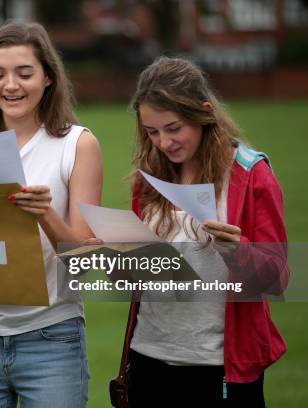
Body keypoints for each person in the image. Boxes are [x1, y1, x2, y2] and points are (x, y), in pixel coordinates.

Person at [0, 22, 103, 407]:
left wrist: (45, 214)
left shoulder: (77, 144)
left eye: (24, 73)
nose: (10, 85)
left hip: (51, 338)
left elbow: (84, 260)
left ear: (47, 76)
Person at [122, 56, 288, 407]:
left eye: (173, 128)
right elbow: (137, 279)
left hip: (219, 368)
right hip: (147, 357)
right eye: (152, 132)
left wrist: (237, 249)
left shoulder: (251, 175)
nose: (163, 143)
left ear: (204, 113)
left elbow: (278, 277)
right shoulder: (148, 180)